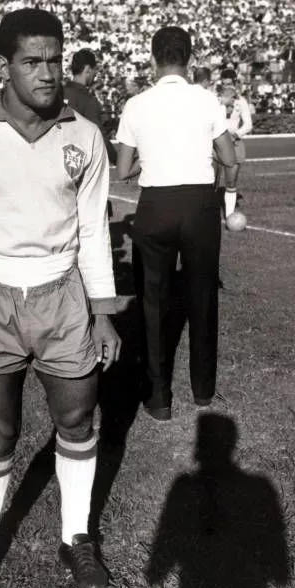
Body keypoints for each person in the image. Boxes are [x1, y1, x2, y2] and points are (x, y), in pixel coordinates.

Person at [0, 8, 120, 588]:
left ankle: (76, 536)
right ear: (4, 65)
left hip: (62, 296)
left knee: (77, 423)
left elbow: (93, 229)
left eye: (55, 60)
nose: (47, 73)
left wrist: (103, 310)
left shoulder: (83, 135)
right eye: (32, 62)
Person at [116, 26, 236, 421]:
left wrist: (149, 158)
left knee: (153, 305)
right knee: (203, 298)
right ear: (189, 59)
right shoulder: (206, 100)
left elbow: (123, 170)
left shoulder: (136, 104)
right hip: (199, 204)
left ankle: (158, 399)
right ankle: (203, 392)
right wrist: (226, 190)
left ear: (153, 60)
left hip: (156, 205)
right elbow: (228, 157)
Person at [63, 48, 117, 164]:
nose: (95, 74)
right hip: (76, 161)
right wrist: (116, 158)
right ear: (87, 69)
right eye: (94, 70)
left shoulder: (58, 93)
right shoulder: (87, 99)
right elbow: (99, 137)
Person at [216, 68, 253, 216]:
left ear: (235, 83)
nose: (227, 87)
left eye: (230, 84)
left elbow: (248, 124)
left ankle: (230, 215)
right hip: (216, 143)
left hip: (234, 142)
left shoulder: (241, 101)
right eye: (224, 84)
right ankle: (208, 214)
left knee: (231, 182)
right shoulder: (214, 99)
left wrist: (236, 135)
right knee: (210, 181)